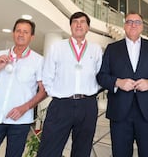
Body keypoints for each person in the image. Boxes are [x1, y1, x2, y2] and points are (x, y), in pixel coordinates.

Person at [97, 11, 148, 157]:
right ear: (124, 26)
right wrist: (118, 82)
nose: (133, 25)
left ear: (142, 26)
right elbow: (101, 76)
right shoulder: (112, 49)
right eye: (129, 22)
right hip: (120, 113)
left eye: (137, 22)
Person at [0, 18, 46, 157]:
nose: (21, 34)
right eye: (18, 31)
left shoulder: (38, 60)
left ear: (32, 37)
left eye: (25, 32)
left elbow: (44, 91)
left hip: (20, 120)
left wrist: (24, 108)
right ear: (13, 33)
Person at [37, 12, 102, 157]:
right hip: (61, 104)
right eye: (75, 21)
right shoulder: (57, 47)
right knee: (49, 149)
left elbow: (100, 75)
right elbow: (47, 75)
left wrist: (91, 91)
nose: (79, 24)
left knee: (82, 150)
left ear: (88, 28)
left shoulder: (95, 49)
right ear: (71, 26)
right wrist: (57, 93)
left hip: (88, 105)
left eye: (83, 22)